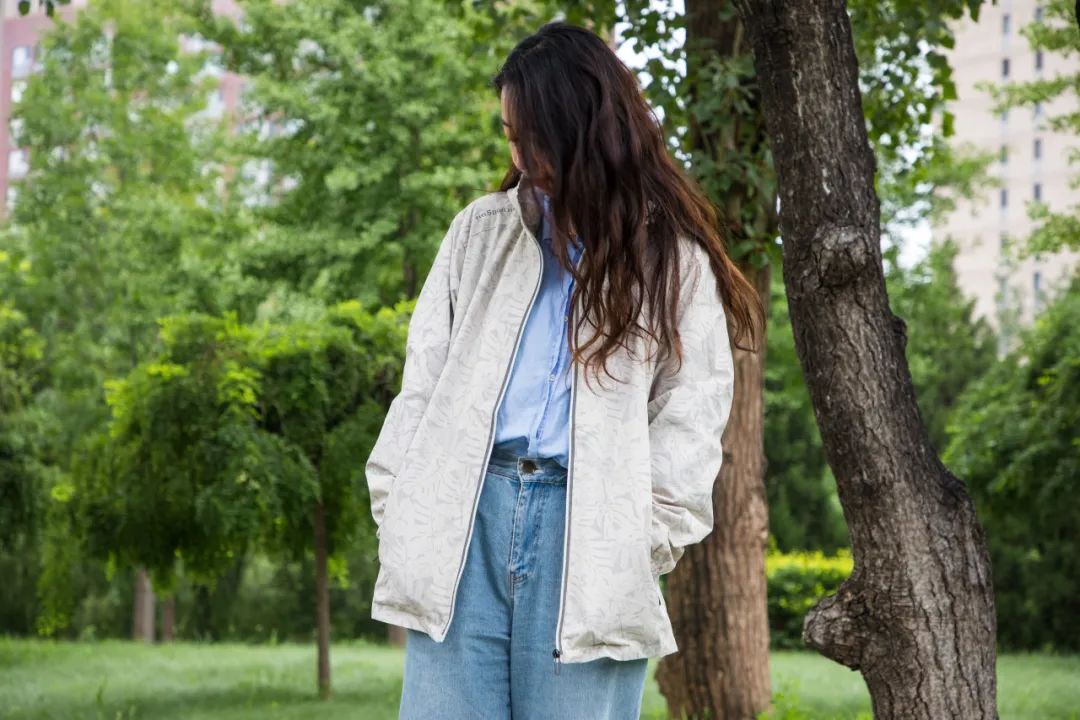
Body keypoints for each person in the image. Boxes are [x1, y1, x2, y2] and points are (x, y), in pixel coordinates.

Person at [364, 19, 764, 720]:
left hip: (593, 537)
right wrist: (398, 505)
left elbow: (691, 417)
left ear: (587, 131)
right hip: (462, 521)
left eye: (535, 138)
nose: (520, 157)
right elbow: (421, 384)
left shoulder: (671, 261)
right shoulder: (478, 233)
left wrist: (643, 539)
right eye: (510, 136)